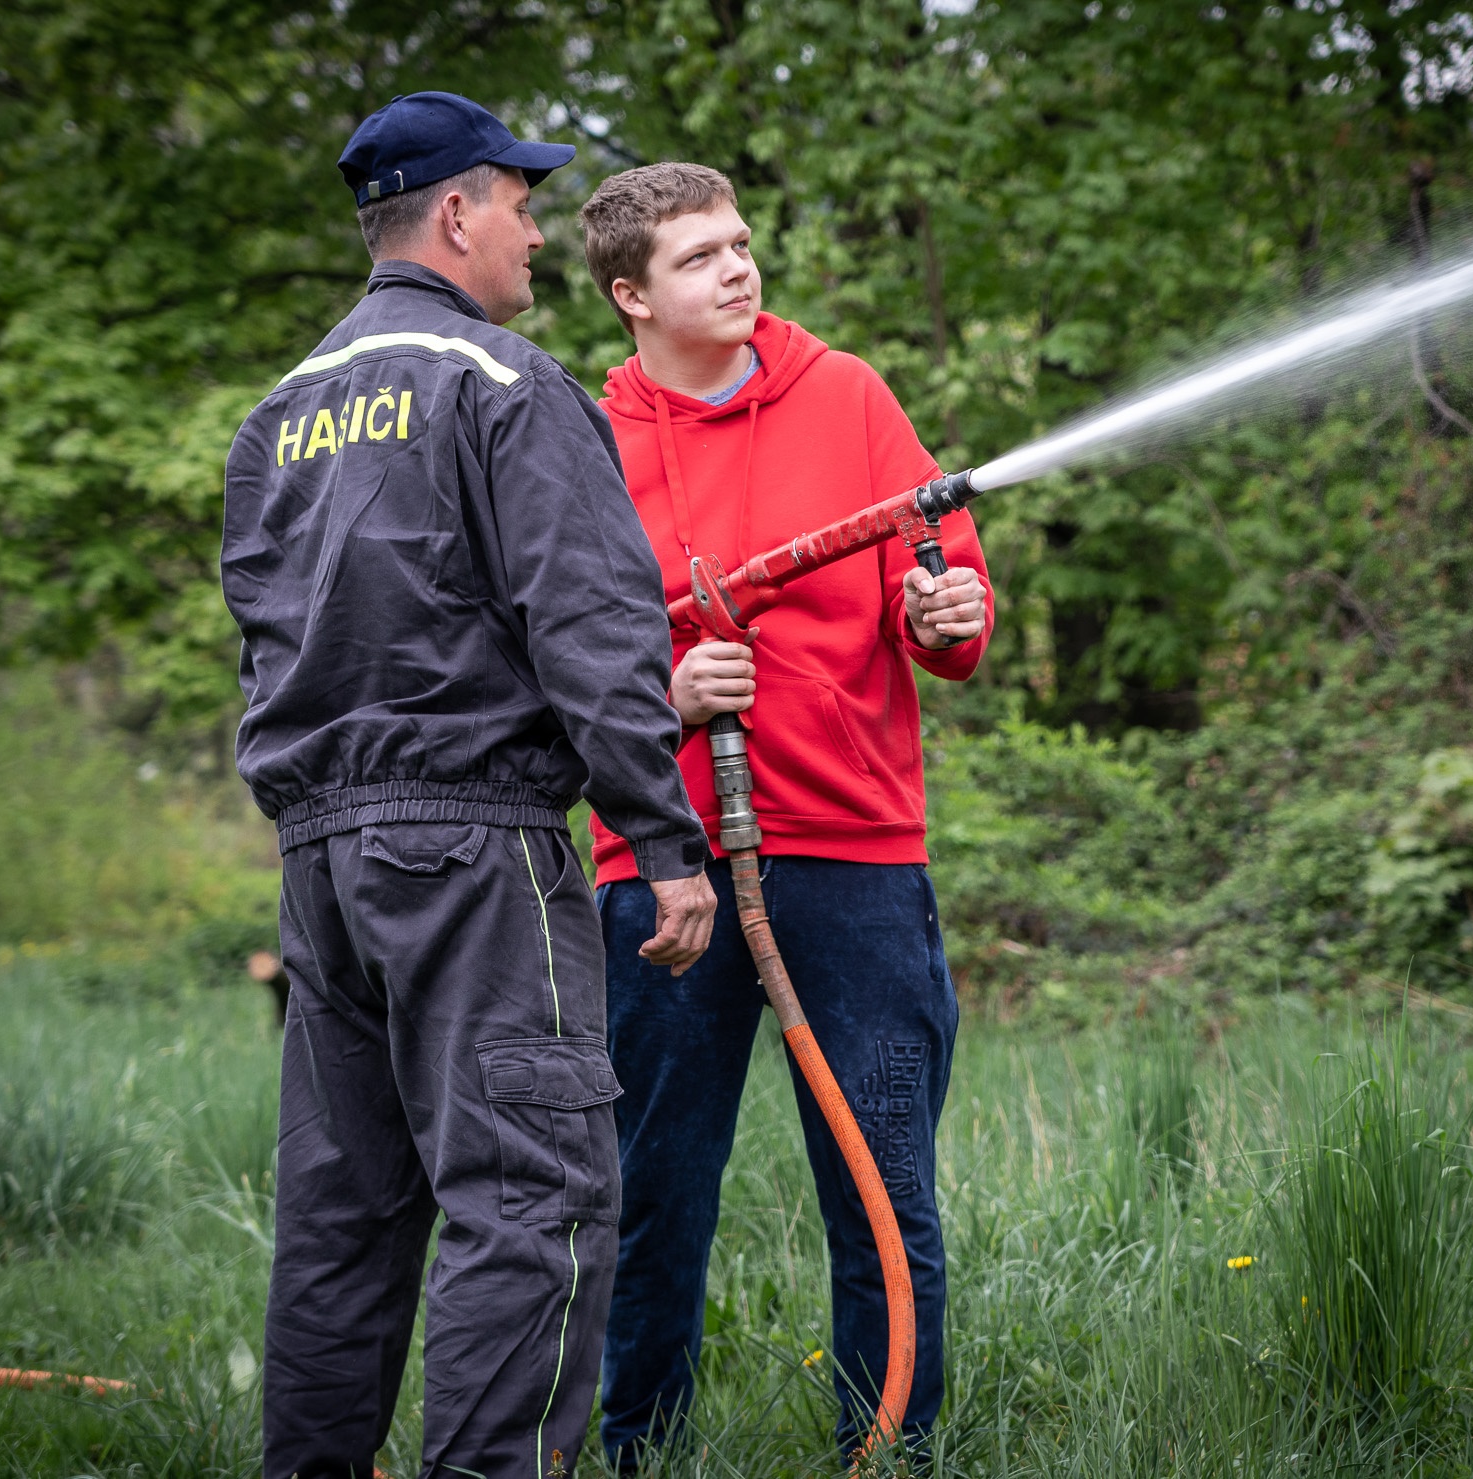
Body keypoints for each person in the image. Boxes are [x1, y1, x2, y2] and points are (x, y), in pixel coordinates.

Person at [221, 95, 717, 1479]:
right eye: (522, 203)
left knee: (343, 1217)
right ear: (456, 213)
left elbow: (266, 643)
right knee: (533, 1201)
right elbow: (593, 628)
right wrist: (663, 839)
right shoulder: (507, 385)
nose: (539, 233)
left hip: (320, 868)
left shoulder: (279, 415)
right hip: (478, 854)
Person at [577, 162, 994, 1468]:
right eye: (700, 256)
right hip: (661, 865)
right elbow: (554, 660)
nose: (739, 269)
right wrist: (667, 693)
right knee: (654, 1195)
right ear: (630, 295)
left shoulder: (848, 395)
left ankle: (892, 1451)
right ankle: (642, 1453)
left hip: (857, 859)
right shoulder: (584, 444)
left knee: (884, 1187)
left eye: (742, 243)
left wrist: (946, 613)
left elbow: (942, 576)